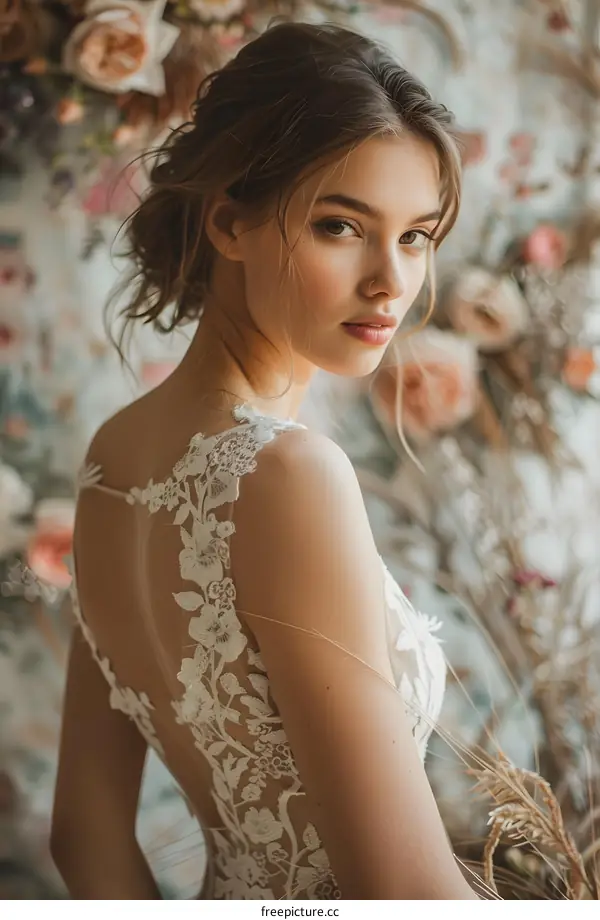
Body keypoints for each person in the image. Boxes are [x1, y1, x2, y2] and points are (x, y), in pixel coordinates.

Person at [51, 21, 479, 900]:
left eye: (415, 235)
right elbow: (404, 895)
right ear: (230, 221)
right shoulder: (290, 474)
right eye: (340, 225)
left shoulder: (114, 455)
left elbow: (83, 840)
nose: (391, 283)